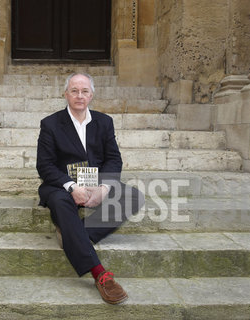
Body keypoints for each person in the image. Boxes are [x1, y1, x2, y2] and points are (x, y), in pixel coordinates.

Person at [36, 73, 144, 304]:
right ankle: (100, 274)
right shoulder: (51, 124)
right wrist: (72, 186)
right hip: (62, 185)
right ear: (66, 94)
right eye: (74, 90)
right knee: (60, 203)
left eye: (84, 91)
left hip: (96, 184)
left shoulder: (104, 122)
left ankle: (74, 237)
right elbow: (44, 165)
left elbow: (114, 160)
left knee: (134, 196)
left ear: (91, 95)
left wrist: (104, 188)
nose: (79, 95)